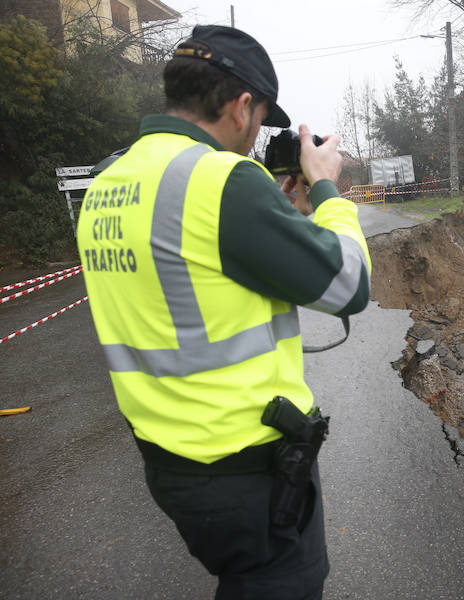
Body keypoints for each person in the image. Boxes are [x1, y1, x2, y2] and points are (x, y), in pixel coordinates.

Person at [75, 25, 371, 599]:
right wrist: (328, 191)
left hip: (170, 459)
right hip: (249, 468)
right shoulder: (222, 182)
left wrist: (273, 221)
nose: (257, 133)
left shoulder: (109, 182)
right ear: (241, 107)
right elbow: (348, 284)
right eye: (260, 117)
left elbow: (184, 278)